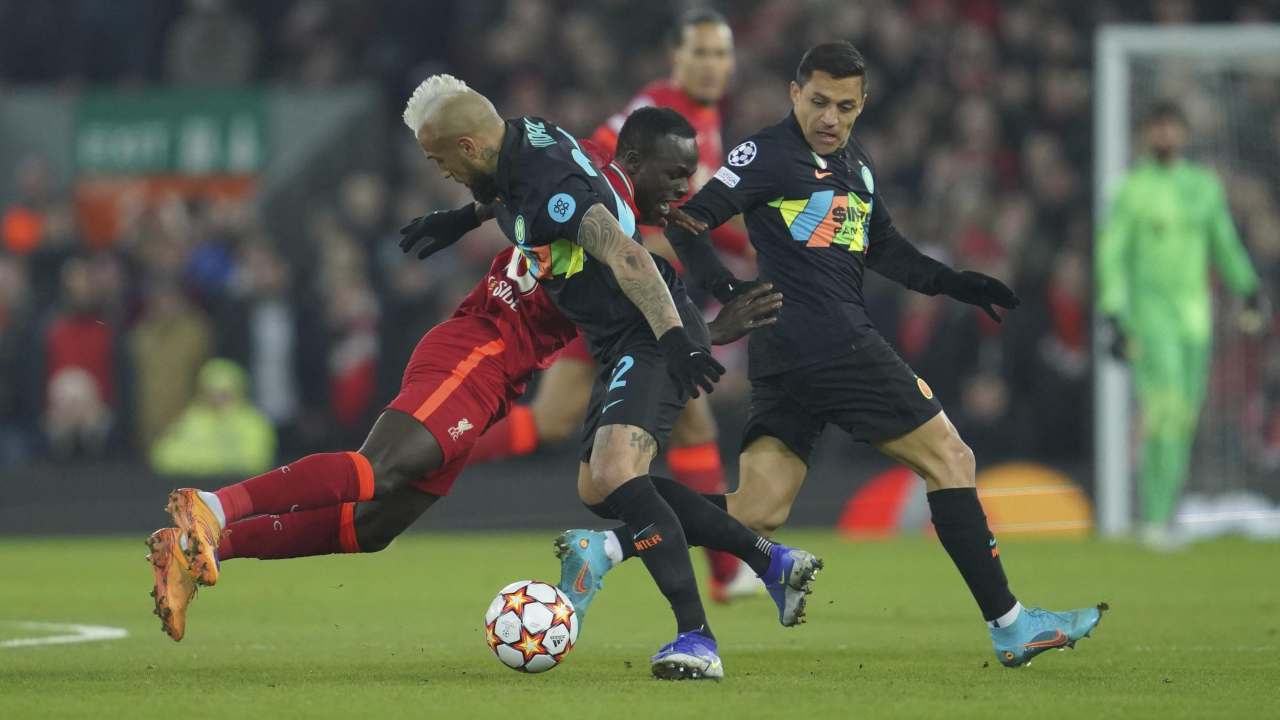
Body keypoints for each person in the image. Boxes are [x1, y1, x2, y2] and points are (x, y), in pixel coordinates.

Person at [146, 102, 802, 682]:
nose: (684, 191)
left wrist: (463, 217)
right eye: (675, 177)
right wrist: (699, 339)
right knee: (379, 470)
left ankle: (203, 549)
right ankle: (215, 507)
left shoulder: (566, 159)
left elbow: (518, 187)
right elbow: (629, 263)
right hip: (480, 346)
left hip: (500, 372)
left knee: (374, 527)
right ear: (637, 161)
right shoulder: (591, 199)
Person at [639, 41, 1103, 669]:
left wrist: (954, 282)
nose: (831, 117)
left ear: (862, 106)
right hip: (832, 339)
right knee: (951, 456)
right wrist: (730, 290)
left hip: (790, 351)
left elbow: (887, 251)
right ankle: (1011, 624)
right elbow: (686, 222)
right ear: (794, 94)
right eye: (820, 102)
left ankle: (611, 538)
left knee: (758, 510)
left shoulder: (856, 164)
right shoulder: (768, 153)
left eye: (846, 106)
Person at [465, 8, 756, 602]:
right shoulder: (653, 112)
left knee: (563, 420)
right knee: (681, 413)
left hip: (622, 292)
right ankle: (729, 571)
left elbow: (684, 214)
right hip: (617, 289)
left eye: (721, 54)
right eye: (700, 53)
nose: (712, 65)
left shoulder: (703, 117)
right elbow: (599, 175)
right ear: (675, 58)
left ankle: (448, 449)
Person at [1096, 100, 1264, 548]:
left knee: (1184, 419)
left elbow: (1224, 243)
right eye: (1158, 128)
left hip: (1196, 322)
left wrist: (1248, 287)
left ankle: (1163, 518)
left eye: (1172, 127)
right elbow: (1113, 255)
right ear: (1147, 135)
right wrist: (1113, 313)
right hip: (1151, 321)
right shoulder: (1131, 190)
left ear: (1184, 134)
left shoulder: (1203, 187)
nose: (1165, 135)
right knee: (1163, 414)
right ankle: (1153, 520)